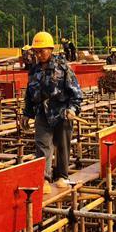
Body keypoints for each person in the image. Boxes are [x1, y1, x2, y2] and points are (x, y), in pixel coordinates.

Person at [23, 31, 83, 191]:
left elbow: (76, 93)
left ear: (50, 49)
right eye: (36, 51)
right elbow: (29, 94)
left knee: (62, 146)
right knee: (42, 146)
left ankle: (62, 176)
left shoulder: (62, 68)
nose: (38, 55)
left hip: (62, 113)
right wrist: (27, 113)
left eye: (41, 51)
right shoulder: (34, 70)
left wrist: (72, 109)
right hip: (42, 113)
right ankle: (44, 179)